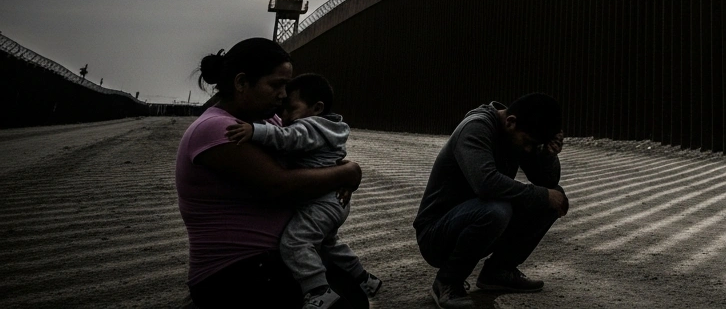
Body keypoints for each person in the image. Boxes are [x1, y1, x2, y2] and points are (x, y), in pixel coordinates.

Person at [176, 38, 369, 309]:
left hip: (277, 259)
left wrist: (347, 169)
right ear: (242, 83)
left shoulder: (270, 121)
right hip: (235, 271)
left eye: (285, 86)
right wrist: (348, 172)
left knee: (353, 299)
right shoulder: (217, 129)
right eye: (276, 85)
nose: (283, 95)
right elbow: (281, 185)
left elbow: (316, 155)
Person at [226, 73, 381, 309]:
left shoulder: (308, 126)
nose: (284, 116)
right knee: (329, 244)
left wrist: (254, 131)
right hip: (334, 200)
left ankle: (319, 291)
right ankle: (364, 279)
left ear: (317, 108)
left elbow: (286, 138)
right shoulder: (329, 127)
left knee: (295, 243)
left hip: (321, 202)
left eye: (290, 109)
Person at [414, 93, 569, 308]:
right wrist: (542, 195)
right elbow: (485, 184)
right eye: (528, 143)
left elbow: (548, 182)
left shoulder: (517, 131)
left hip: (478, 218)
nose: (527, 150)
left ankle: (498, 272)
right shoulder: (476, 127)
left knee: (552, 197)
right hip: (437, 233)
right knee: (498, 209)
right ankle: (448, 281)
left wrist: (548, 155)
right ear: (511, 121)